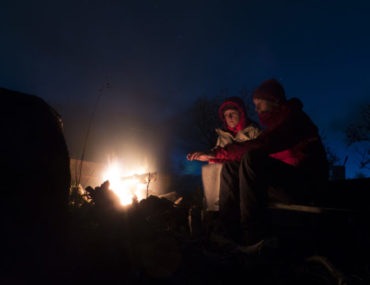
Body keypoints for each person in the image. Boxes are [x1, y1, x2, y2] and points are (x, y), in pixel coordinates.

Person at [187, 96, 261, 162]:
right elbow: (216, 155)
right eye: (226, 115)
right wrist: (206, 157)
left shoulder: (253, 131)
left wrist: (213, 155)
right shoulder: (222, 136)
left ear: (241, 113)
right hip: (227, 174)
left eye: (232, 113)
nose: (229, 117)